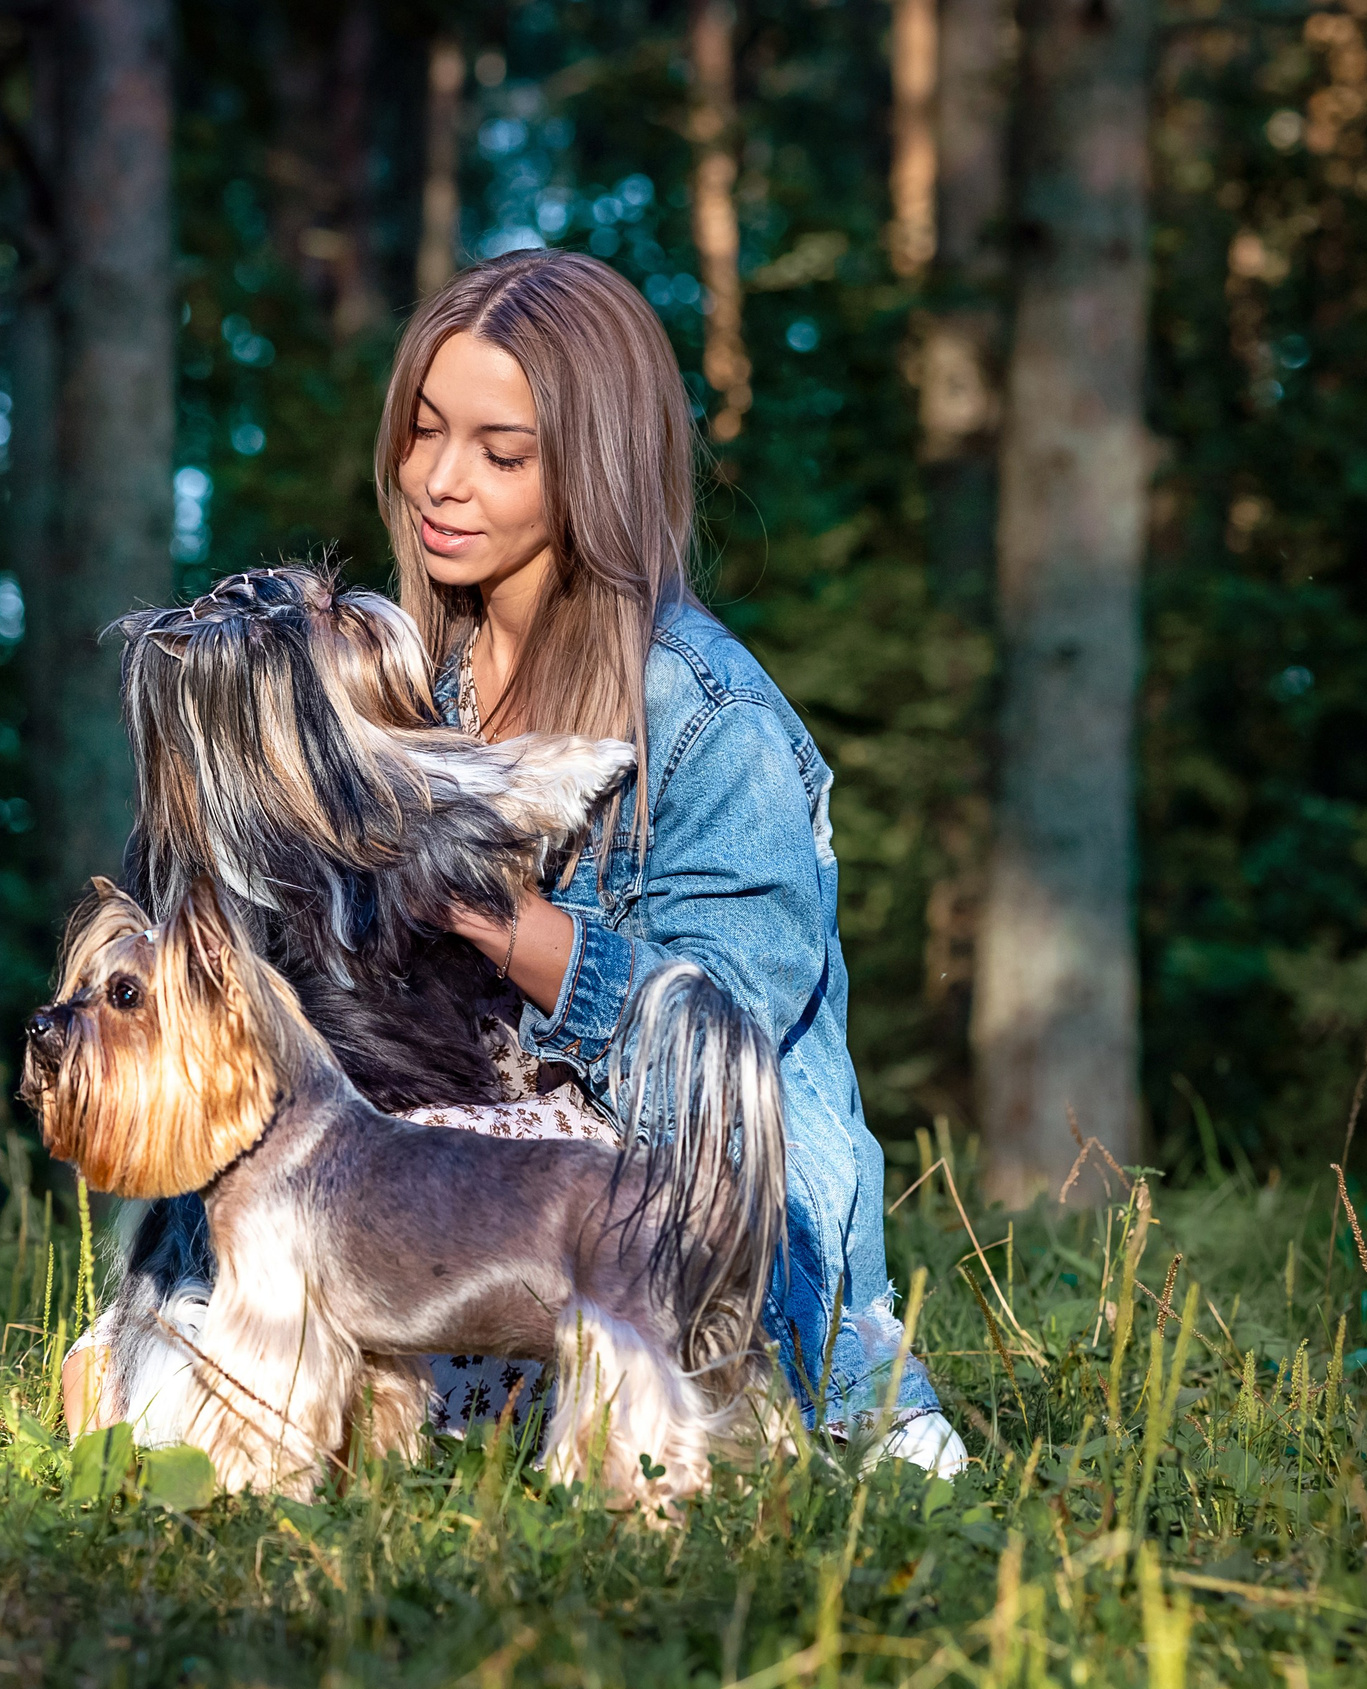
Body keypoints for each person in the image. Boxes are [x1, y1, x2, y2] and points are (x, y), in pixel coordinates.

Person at [68, 248, 964, 1473]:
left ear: (594, 467)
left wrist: (504, 921)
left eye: (502, 452)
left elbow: (722, 1078)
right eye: (425, 430)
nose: (440, 480)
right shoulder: (401, 692)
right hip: (439, 1244)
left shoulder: (710, 725)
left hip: (648, 1253)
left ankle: (850, 1400)